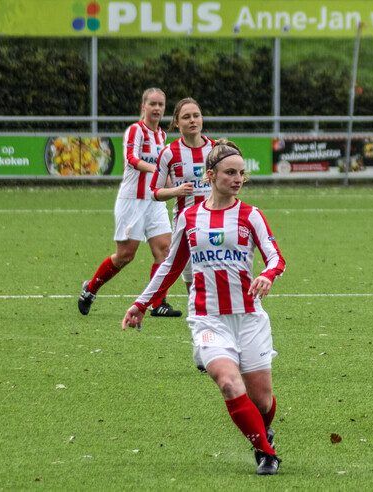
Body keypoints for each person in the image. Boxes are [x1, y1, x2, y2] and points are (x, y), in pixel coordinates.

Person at [122, 140, 286, 475]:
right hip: (208, 318)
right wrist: (142, 303)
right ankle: (266, 453)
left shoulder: (251, 215)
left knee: (263, 401)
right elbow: (170, 265)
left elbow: (275, 257)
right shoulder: (191, 217)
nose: (237, 178)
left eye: (241, 173)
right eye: (229, 172)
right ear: (210, 175)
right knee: (228, 382)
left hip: (249, 318)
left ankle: (261, 432)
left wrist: (268, 275)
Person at [78, 88, 181, 317]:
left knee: (164, 250)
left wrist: (176, 184)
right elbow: (132, 159)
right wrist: (158, 169)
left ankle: (158, 303)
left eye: (161, 105)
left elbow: (167, 168)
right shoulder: (136, 131)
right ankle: (90, 289)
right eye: (152, 104)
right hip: (132, 201)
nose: (156, 108)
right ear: (143, 106)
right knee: (126, 255)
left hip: (154, 200)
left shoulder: (162, 136)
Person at [150, 97, 214, 296]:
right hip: (184, 223)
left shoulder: (216, 149)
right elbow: (155, 192)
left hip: (214, 220)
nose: (192, 120)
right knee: (190, 274)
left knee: (214, 270)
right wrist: (176, 191)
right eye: (186, 117)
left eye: (196, 116)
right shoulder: (169, 153)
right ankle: (196, 311)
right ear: (177, 122)